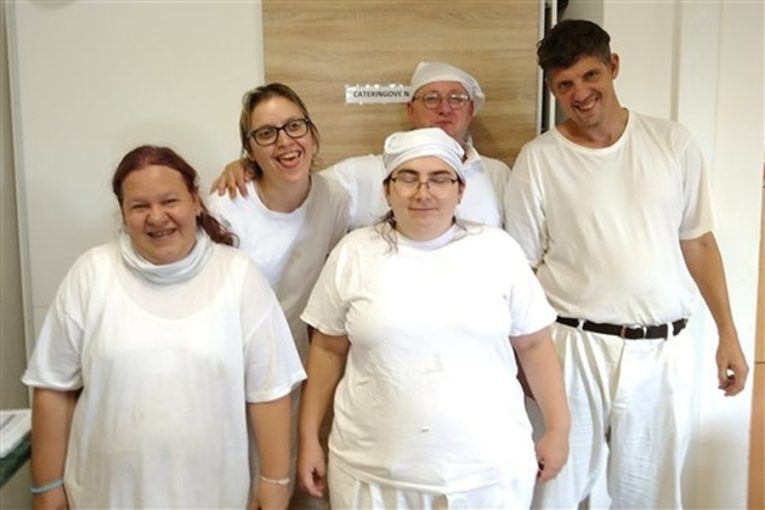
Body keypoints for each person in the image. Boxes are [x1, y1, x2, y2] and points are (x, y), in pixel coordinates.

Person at [503, 19, 749, 509]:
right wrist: (522, 361)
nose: (580, 94)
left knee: (652, 496)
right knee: (558, 490)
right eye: (565, 85)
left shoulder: (673, 143)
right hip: (572, 346)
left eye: (590, 76)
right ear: (552, 90)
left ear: (613, 66)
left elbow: (698, 241)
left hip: (661, 349)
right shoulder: (539, 160)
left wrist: (728, 334)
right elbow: (521, 272)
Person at [297, 127, 570, 509]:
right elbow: (327, 349)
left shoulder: (497, 251)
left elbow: (536, 346)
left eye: (439, 178)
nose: (423, 192)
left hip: (488, 474)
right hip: (372, 473)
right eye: (408, 178)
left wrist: (558, 428)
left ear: (460, 190)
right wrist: (308, 437)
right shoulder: (354, 253)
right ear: (387, 189)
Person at [22, 145, 306, 510]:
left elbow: (269, 391)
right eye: (139, 206)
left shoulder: (238, 276)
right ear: (123, 215)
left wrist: (275, 482)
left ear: (196, 202)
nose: (157, 217)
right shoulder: (92, 273)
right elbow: (53, 387)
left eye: (170, 201)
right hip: (105, 496)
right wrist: (46, 488)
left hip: (215, 495)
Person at [207, 83, 348, 509]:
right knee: (237, 487)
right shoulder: (227, 206)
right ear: (249, 150)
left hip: (296, 369)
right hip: (234, 374)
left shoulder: (333, 198)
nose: (285, 141)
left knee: (285, 486)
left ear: (312, 133)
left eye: (294, 126)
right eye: (266, 133)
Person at [213, 61, 511, 229]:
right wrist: (250, 165)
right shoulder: (360, 174)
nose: (444, 109)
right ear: (410, 110)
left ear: (471, 110)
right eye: (431, 99)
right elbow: (296, 186)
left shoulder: (499, 175)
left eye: (456, 99)